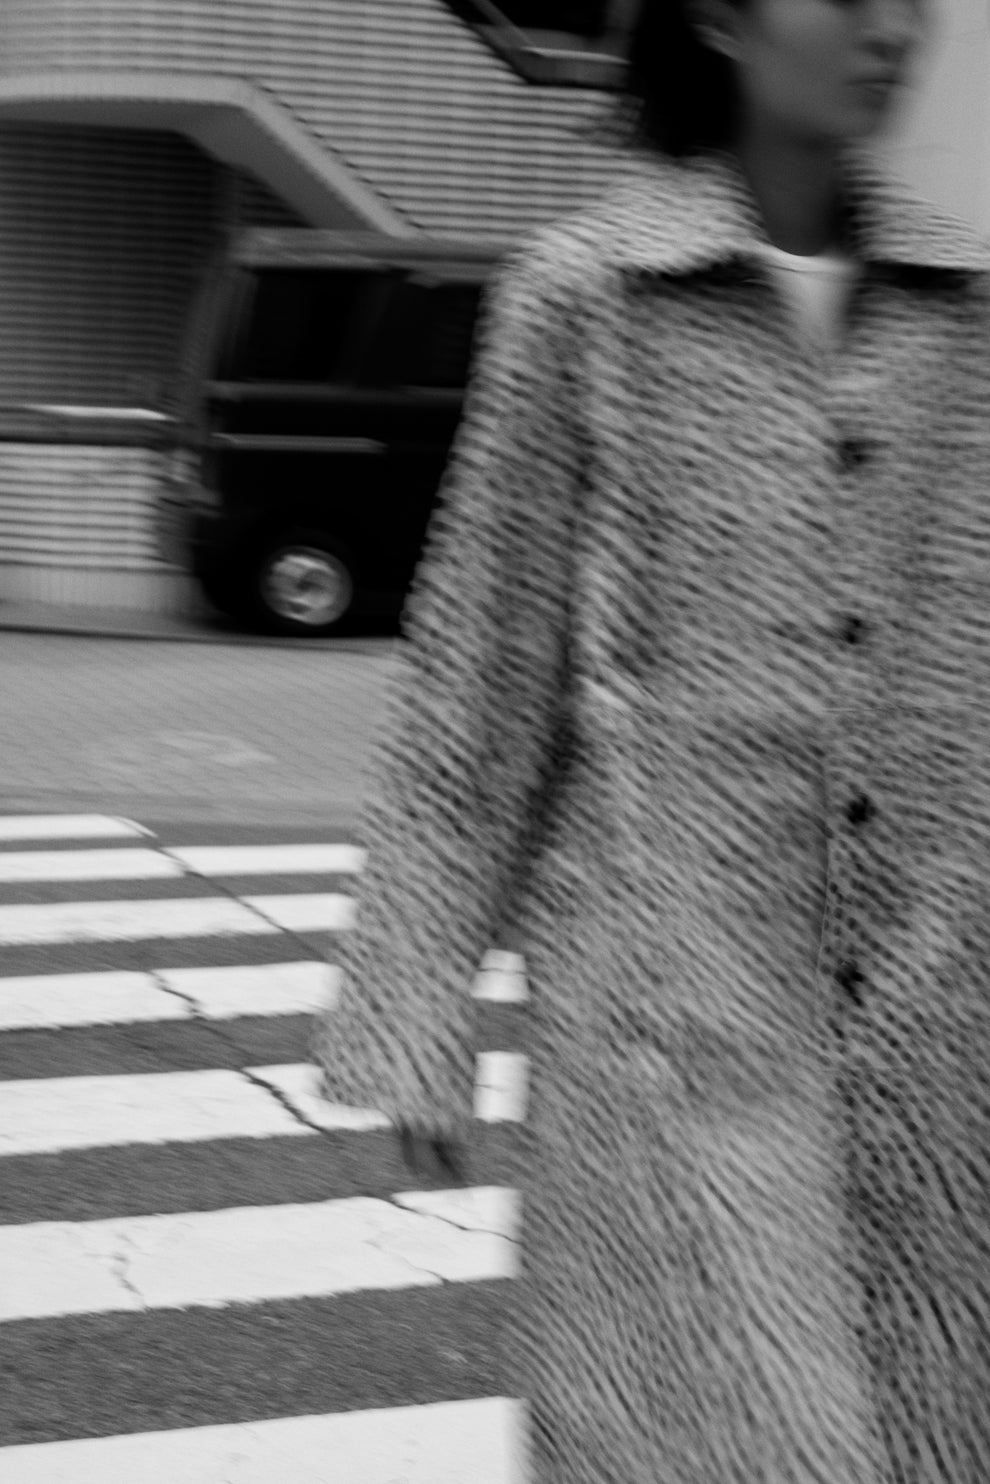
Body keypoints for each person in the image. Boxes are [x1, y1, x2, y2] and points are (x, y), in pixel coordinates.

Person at [313, 0, 990, 1478]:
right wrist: (415, 1002)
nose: (893, 27)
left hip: (934, 1010)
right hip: (668, 1013)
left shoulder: (965, 312)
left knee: (923, 1406)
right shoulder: (590, 298)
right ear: (724, 17)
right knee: (706, 1429)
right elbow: (480, 658)